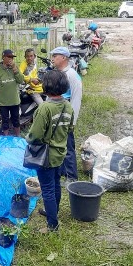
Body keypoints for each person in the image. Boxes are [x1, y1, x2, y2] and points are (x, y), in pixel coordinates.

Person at [26, 70, 74, 232]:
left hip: (46, 156)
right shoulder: (68, 105)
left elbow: (35, 135)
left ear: (46, 85)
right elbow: (70, 128)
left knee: (47, 189)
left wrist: (29, 139)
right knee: (55, 185)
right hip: (60, 153)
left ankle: (52, 225)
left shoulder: (45, 108)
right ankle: (52, 212)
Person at [50, 47, 82, 183]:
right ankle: (63, 171)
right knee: (58, 144)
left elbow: (76, 98)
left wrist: (72, 121)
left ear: (63, 57)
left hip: (65, 115)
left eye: (55, 56)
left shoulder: (72, 75)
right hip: (56, 114)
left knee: (68, 146)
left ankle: (72, 177)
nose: (52, 58)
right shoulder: (58, 73)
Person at [0, 49, 25, 136]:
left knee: (16, 120)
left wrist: (14, 68)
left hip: (14, 101)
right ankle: (5, 138)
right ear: (3, 57)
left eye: (12, 57)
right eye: (9, 57)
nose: (11, 59)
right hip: (3, 102)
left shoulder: (15, 67)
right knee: (5, 121)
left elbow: (21, 80)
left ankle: (18, 137)